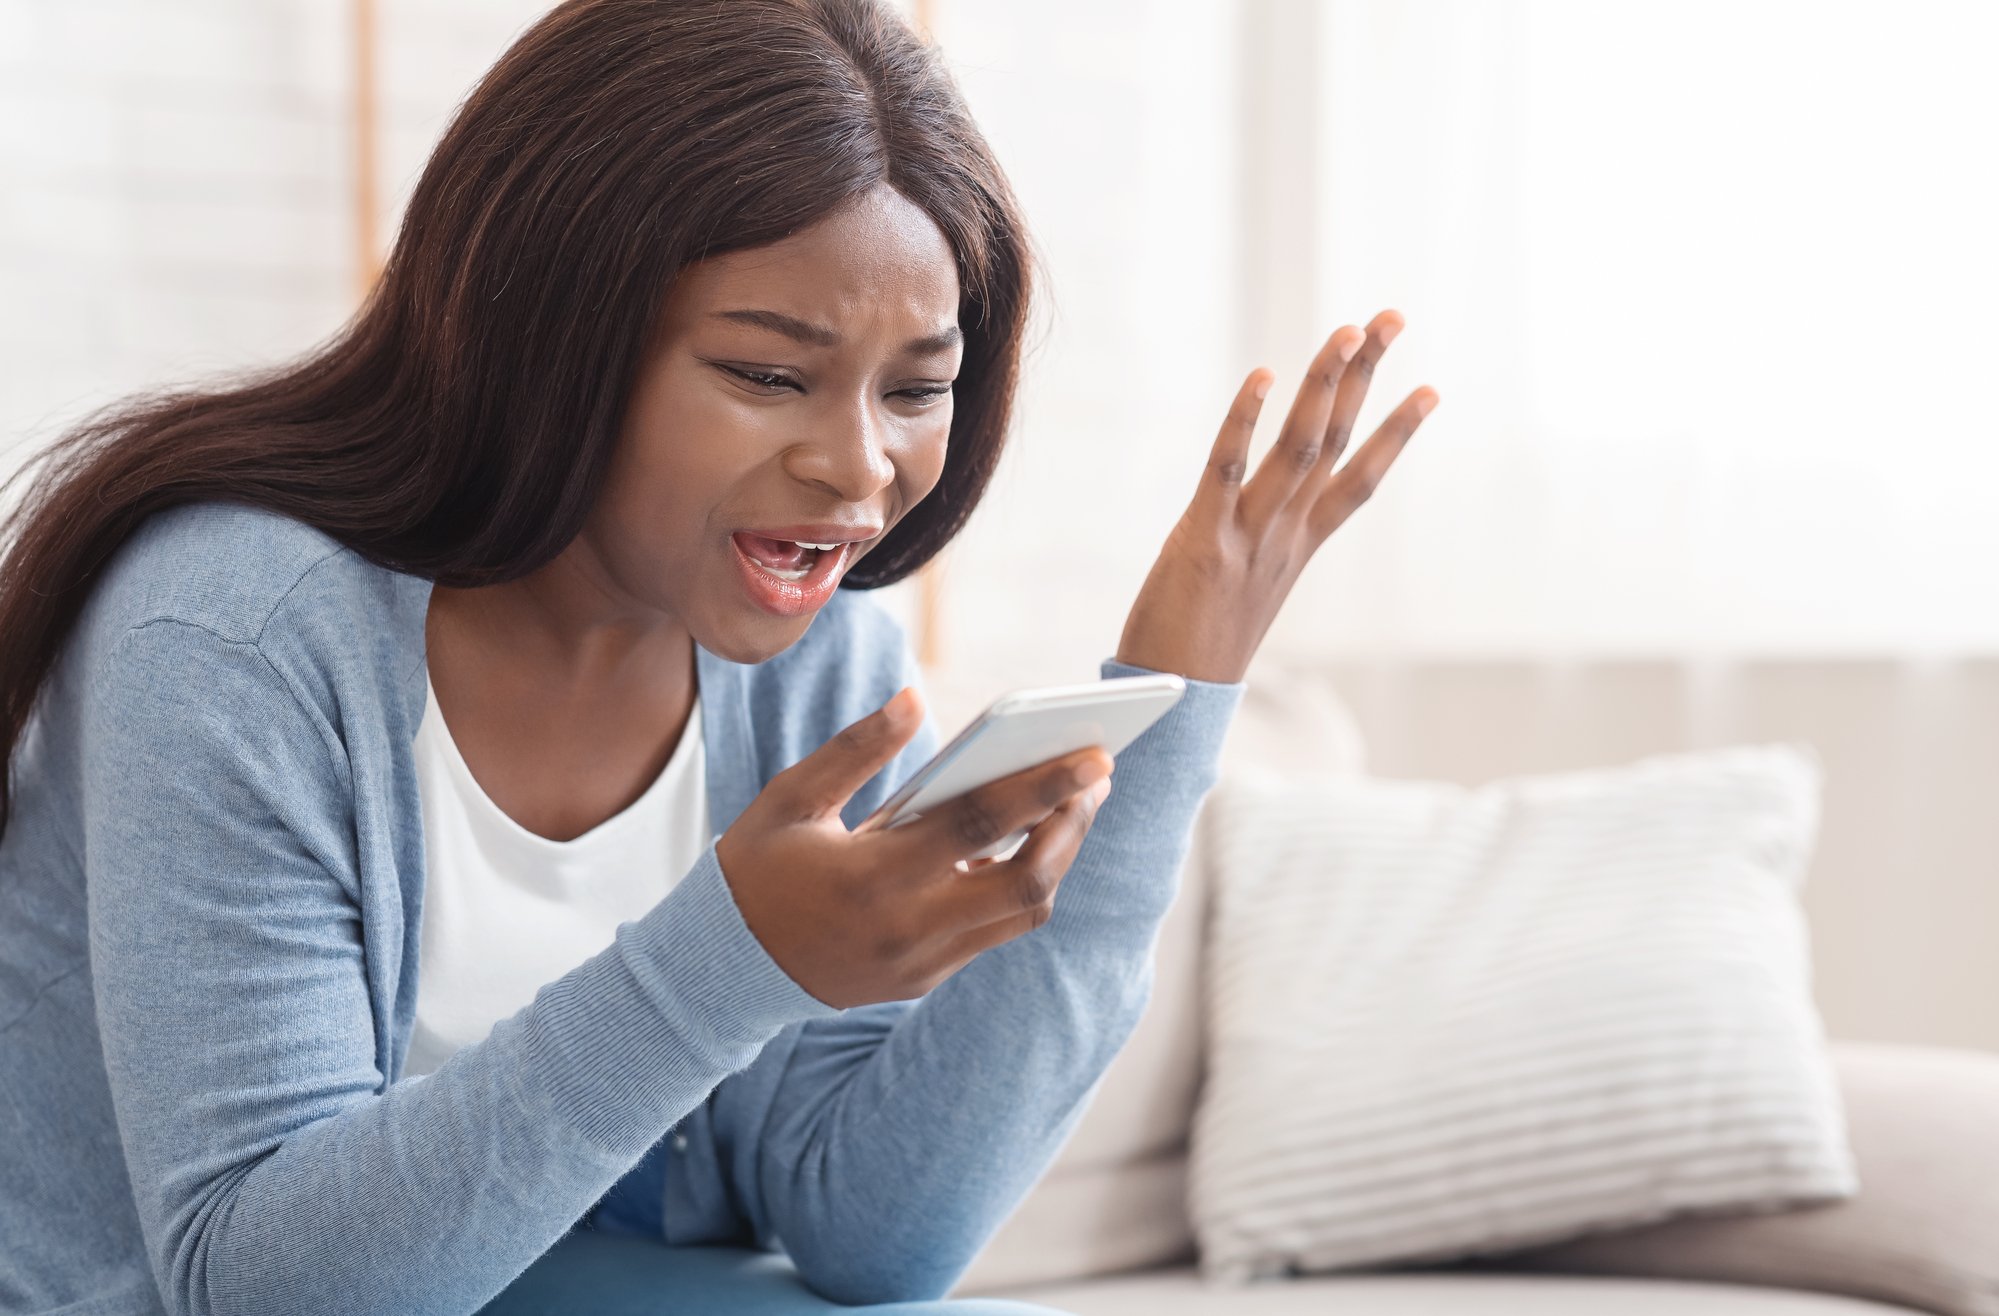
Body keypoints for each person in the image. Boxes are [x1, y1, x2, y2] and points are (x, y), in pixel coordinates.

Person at [0, 1, 1437, 1313]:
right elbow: (260, 1288)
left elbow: (877, 1236)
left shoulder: (814, 672)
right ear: (551, 336)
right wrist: (735, 961)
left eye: (918, 388)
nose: (861, 467)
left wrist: (1169, 704)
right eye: (765, 373)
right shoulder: (231, 631)